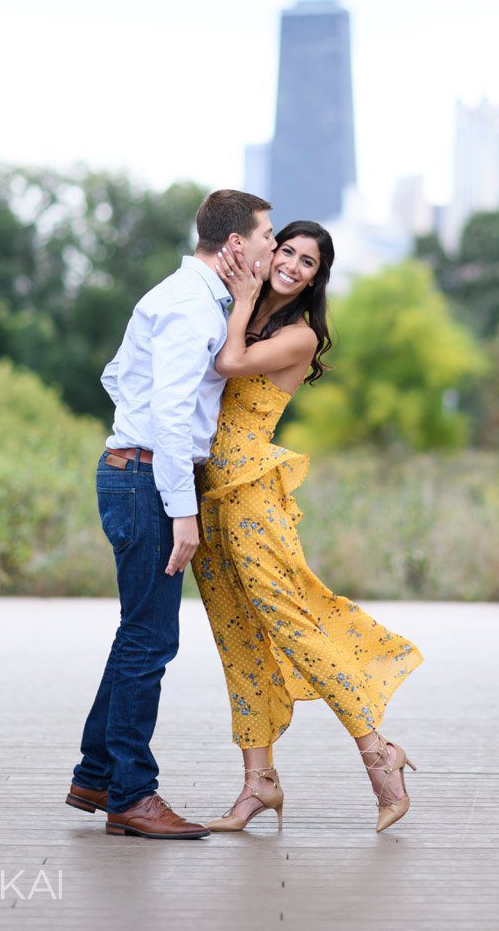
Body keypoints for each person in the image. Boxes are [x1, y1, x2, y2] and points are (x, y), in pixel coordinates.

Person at [192, 221, 424, 834]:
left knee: (291, 626)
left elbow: (229, 362)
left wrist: (242, 299)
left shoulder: (299, 335)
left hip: (250, 492)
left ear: (316, 278)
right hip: (206, 494)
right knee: (236, 636)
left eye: (307, 261)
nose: (292, 265)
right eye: (286, 251)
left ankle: (379, 755)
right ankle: (258, 783)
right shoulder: (238, 309)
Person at [66, 189, 276, 839]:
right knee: (151, 639)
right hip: (148, 480)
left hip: (134, 471)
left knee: (138, 633)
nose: (272, 247)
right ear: (236, 245)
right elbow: (171, 415)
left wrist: (132, 424)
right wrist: (180, 510)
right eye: (267, 235)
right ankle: (133, 794)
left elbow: (117, 376)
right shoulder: (190, 307)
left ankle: (97, 775)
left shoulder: (184, 298)